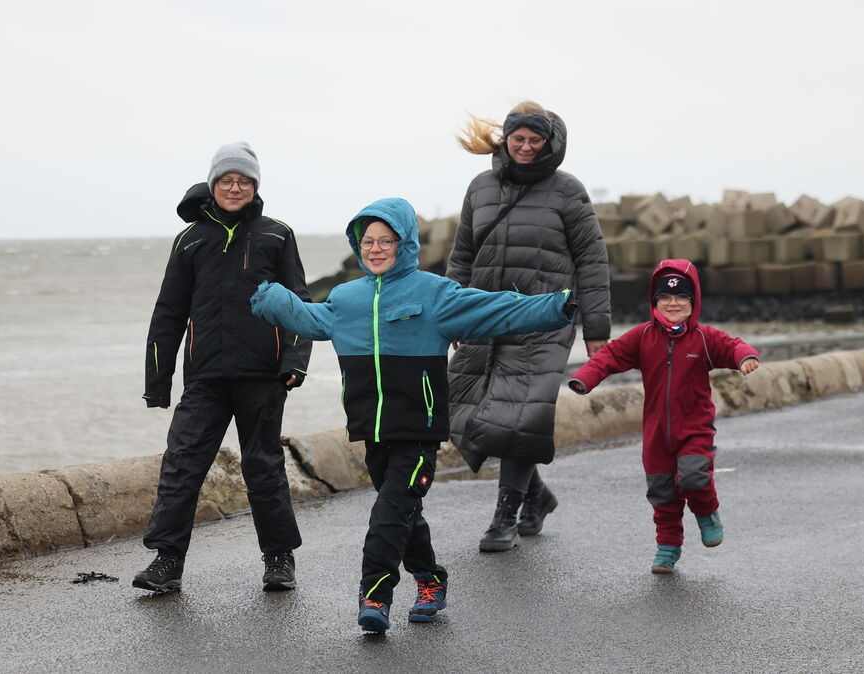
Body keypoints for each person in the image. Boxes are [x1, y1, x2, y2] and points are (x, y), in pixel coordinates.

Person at [250, 197, 575, 632]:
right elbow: (311, 319)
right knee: (403, 514)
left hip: (419, 434)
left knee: (386, 517)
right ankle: (430, 578)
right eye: (368, 241)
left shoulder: (432, 293)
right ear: (358, 245)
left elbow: (498, 309)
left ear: (404, 245)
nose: (376, 249)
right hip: (372, 432)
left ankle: (375, 597)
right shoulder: (348, 298)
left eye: (387, 240)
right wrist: (268, 295)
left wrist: (560, 306)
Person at [134, 141, 312, 593]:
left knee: (263, 467)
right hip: (206, 378)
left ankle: (279, 559)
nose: (235, 187)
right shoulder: (190, 239)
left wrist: (295, 360)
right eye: (227, 180)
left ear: (255, 186)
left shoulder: (277, 234)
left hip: (264, 375)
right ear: (213, 186)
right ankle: (167, 560)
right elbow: (168, 313)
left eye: (244, 181)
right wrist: (159, 382)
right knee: (182, 465)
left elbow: (298, 303)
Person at [446, 100, 611, 552]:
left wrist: (597, 329)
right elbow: (462, 255)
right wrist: (449, 313)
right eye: (518, 138)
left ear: (550, 144)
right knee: (460, 410)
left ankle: (506, 517)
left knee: (520, 416)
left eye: (534, 141)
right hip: (484, 316)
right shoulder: (480, 187)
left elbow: (592, 261)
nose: (524, 147)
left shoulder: (567, 191)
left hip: (543, 322)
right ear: (506, 138)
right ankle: (537, 496)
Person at [567, 259, 759, 573]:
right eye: (665, 298)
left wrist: (746, 357)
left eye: (681, 297)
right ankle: (667, 548)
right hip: (656, 431)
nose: (673, 303)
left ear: (693, 301)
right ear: (654, 302)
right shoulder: (643, 336)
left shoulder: (703, 338)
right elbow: (610, 356)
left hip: (694, 427)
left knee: (694, 478)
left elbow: (733, 345)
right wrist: (585, 378)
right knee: (662, 492)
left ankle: (707, 512)